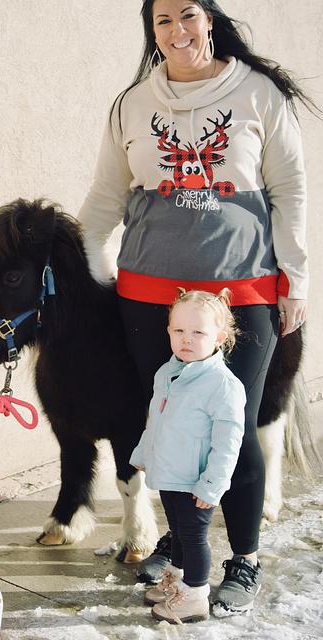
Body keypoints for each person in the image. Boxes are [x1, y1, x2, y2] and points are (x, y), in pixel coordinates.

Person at [77, 0, 313, 615]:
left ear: (210, 19)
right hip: (149, 295)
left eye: (187, 15)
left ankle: (245, 559)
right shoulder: (132, 105)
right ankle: (185, 548)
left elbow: (290, 190)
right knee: (170, 427)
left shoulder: (258, 94)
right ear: (152, 32)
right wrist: (84, 270)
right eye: (163, 21)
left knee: (235, 425)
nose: (176, 31)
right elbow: (106, 196)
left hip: (241, 293)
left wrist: (296, 279)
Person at [130, 289, 245, 623]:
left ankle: (194, 596)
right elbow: (156, 422)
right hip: (169, 473)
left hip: (196, 481)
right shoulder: (167, 373)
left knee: (194, 538)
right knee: (177, 533)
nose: (186, 339)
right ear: (168, 331)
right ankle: (177, 582)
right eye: (179, 330)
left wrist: (212, 485)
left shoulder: (222, 385)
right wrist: (144, 453)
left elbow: (228, 443)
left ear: (219, 338)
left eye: (198, 332)